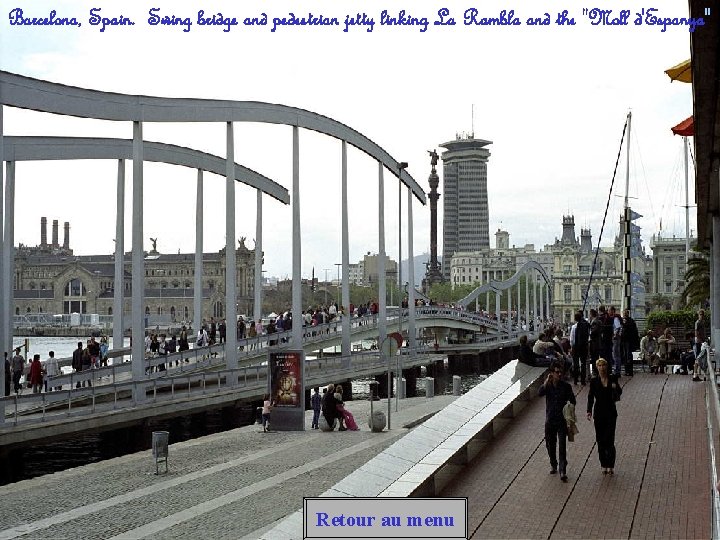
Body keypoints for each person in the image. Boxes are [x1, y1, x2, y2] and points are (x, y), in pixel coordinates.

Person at [538, 359, 576, 482]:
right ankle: (553, 463)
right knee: (550, 444)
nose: (560, 374)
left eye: (561, 372)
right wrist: (545, 383)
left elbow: (573, 400)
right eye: (557, 372)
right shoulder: (548, 385)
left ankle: (562, 470)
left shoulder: (566, 386)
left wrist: (569, 407)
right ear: (552, 373)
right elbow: (540, 393)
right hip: (550, 419)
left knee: (562, 445)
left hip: (561, 420)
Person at [586, 358, 621, 475]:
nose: (602, 368)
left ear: (606, 367)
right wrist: (588, 410)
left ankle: (611, 464)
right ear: (597, 367)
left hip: (611, 412)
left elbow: (619, 392)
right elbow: (591, 396)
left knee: (609, 438)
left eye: (603, 365)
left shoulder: (612, 378)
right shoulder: (594, 381)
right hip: (599, 412)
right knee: (600, 439)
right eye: (599, 366)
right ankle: (603, 463)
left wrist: (616, 387)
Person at [570, 310, 590, 385]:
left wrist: (572, 347)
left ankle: (575, 380)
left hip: (575, 347)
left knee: (576, 364)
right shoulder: (585, 325)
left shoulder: (574, 327)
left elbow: (572, 339)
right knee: (583, 363)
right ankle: (583, 380)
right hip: (583, 347)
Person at [620, 309, 640, 376]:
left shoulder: (628, 322)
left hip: (627, 340)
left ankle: (628, 370)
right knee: (627, 355)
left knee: (627, 355)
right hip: (627, 341)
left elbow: (628, 330)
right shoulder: (631, 321)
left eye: (624, 313)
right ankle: (628, 370)